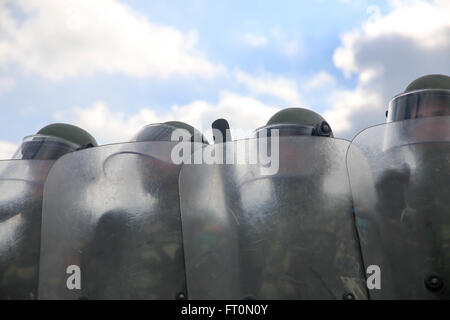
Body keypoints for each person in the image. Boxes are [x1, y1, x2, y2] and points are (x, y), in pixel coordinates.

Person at [0, 123, 97, 300]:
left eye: (52, 163)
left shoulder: (101, 233)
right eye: (34, 161)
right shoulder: (11, 228)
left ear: (81, 173)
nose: (37, 170)